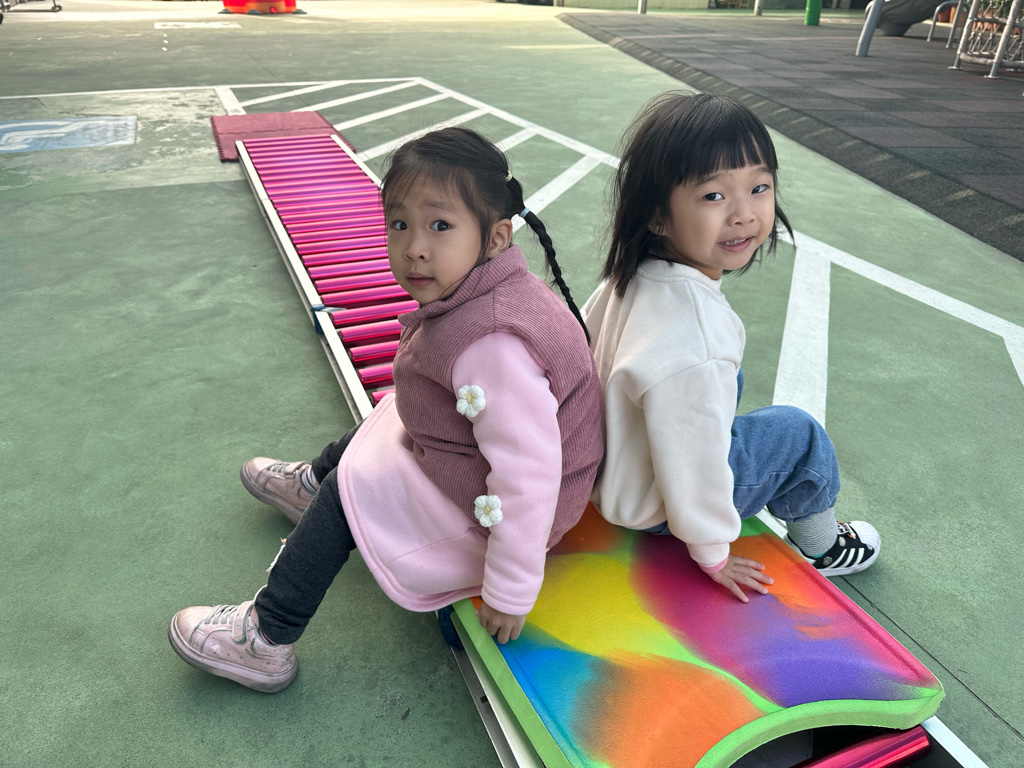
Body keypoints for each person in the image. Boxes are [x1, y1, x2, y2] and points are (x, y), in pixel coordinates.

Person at [168, 127, 603, 692]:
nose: (415, 247)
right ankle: (311, 482)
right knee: (391, 418)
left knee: (349, 495)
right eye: (399, 224)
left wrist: (510, 587)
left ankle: (266, 637)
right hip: (480, 469)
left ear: (496, 237)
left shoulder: (494, 344)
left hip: (509, 522)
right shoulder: (484, 293)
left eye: (440, 226)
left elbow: (528, 474)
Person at [583, 92, 880, 603]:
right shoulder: (696, 333)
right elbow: (693, 457)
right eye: (714, 195)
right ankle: (823, 547)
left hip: (611, 469)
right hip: (653, 504)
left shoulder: (627, 276)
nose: (744, 214)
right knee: (798, 435)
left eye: (759, 187)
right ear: (657, 216)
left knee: (721, 386)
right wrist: (712, 551)